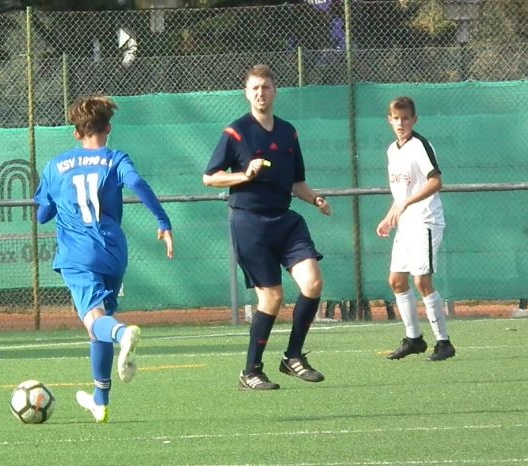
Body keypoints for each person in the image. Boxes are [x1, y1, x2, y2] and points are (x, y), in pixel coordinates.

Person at [33, 95, 174, 422]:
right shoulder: (115, 159)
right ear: (108, 128)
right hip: (113, 252)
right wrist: (163, 222)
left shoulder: (55, 166)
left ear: (76, 132)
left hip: (78, 255)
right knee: (99, 325)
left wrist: (54, 203)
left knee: (96, 321)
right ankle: (100, 400)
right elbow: (136, 182)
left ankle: (123, 335)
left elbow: (42, 215)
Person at [203, 64, 331, 390]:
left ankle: (293, 356)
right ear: (246, 93)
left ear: (275, 91)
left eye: (266, 87)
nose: (261, 93)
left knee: (313, 283)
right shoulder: (236, 132)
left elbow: (297, 182)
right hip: (250, 222)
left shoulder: (288, 132)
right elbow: (210, 177)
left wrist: (315, 199)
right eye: (255, 88)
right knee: (272, 297)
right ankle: (251, 371)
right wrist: (245, 174)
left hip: (285, 220)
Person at [377, 96, 455, 362]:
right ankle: (414, 339)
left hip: (426, 221)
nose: (401, 123)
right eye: (396, 118)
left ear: (414, 120)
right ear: (389, 120)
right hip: (406, 224)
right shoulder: (392, 150)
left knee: (422, 280)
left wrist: (407, 204)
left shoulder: (420, 145)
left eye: (406, 118)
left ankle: (444, 342)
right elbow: (402, 193)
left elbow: (436, 181)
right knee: (397, 281)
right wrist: (389, 216)